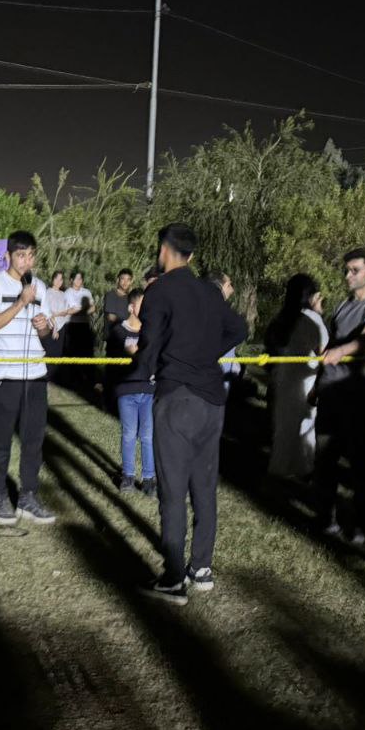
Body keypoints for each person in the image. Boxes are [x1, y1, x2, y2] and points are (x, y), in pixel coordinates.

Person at [133, 223, 247, 605]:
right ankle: (201, 568)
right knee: (204, 486)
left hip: (178, 399)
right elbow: (239, 328)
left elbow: (149, 347)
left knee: (172, 490)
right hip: (213, 401)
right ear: (192, 256)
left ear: (163, 250)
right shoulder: (208, 291)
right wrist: (204, 353)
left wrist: (139, 371)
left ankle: (173, 578)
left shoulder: (159, 290)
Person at [315, 249, 365, 542]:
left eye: (355, 270)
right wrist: (317, 385)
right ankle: (326, 519)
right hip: (330, 390)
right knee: (325, 460)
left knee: (360, 462)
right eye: (346, 270)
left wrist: (341, 351)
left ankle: (361, 524)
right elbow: (331, 345)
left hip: (359, 393)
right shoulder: (343, 306)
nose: (348, 275)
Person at [0, 231, 58, 526]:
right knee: (2, 439)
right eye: (21, 255)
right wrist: (20, 303)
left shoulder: (40, 287)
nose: (27, 261)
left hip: (35, 374)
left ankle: (28, 496)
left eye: (31, 255)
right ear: (8, 256)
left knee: (33, 440)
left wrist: (42, 326)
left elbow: (47, 333)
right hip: (6, 375)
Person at [264, 275, 328, 481]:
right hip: (304, 386)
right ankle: (302, 472)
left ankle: (279, 471)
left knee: (281, 430)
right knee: (303, 432)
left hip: (280, 381)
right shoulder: (312, 321)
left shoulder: (279, 319)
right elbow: (325, 355)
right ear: (311, 296)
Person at [115, 288, 155, 496]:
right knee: (129, 434)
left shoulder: (150, 332)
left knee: (148, 436)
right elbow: (126, 355)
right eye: (142, 305)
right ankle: (128, 476)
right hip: (127, 391)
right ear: (131, 307)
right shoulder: (118, 331)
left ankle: (149, 479)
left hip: (148, 391)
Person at [103, 269, 134, 355]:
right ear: (118, 280)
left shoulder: (131, 298)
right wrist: (128, 323)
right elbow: (111, 317)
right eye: (123, 279)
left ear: (131, 282)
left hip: (128, 340)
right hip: (114, 339)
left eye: (128, 279)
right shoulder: (111, 295)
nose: (125, 282)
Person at [43, 270, 70, 361]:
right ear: (52, 279)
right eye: (56, 279)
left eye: (61, 279)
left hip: (62, 328)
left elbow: (66, 312)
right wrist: (54, 328)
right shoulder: (47, 292)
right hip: (50, 327)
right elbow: (47, 312)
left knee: (58, 355)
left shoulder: (64, 294)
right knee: (49, 354)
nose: (58, 281)